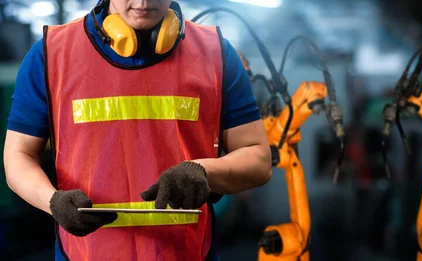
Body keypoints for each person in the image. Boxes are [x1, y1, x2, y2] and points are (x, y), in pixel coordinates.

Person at [2, 0, 272, 260]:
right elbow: (18, 156)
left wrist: (204, 172)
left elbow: (258, 159)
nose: (143, 2)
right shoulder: (51, 54)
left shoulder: (217, 54)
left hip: (187, 254)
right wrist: (52, 201)